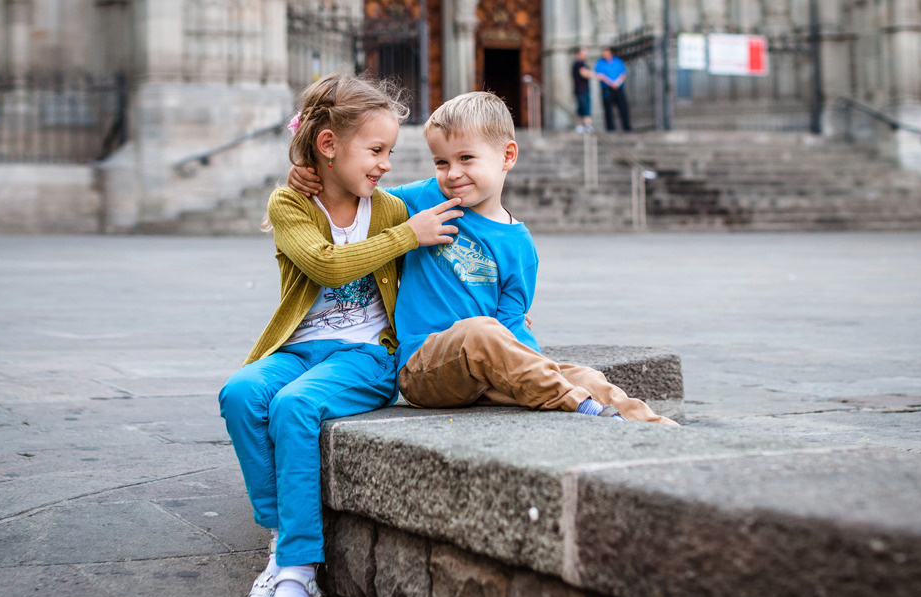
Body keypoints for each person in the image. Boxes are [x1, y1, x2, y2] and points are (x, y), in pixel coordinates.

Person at [218, 72, 461, 597]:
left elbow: (454, 193)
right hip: (300, 348)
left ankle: (301, 577)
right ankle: (283, 542)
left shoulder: (390, 207)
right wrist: (407, 236)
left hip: (366, 356)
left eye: (391, 152)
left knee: (295, 407)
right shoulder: (289, 203)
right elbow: (326, 266)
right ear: (327, 147)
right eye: (375, 150)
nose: (384, 164)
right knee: (242, 392)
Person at [288, 91, 676, 426]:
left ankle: (653, 426)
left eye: (466, 158)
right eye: (441, 162)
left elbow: (511, 322)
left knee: (585, 373)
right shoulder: (421, 201)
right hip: (425, 369)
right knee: (481, 332)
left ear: (507, 155)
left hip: (486, 368)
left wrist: (525, 359)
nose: (452, 173)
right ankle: (576, 404)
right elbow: (357, 189)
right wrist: (306, 176)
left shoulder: (520, 245)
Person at [594, 47, 631, 132]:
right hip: (607, 88)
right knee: (608, 110)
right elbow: (600, 75)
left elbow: (623, 74)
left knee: (623, 108)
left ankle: (626, 127)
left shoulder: (618, 61)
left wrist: (617, 82)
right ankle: (610, 128)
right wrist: (611, 83)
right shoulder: (600, 63)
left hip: (618, 87)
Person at [571, 47, 595, 133]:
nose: (586, 56)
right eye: (584, 54)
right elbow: (584, 73)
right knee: (585, 107)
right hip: (581, 89)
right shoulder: (579, 63)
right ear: (579, 54)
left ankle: (579, 125)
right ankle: (587, 125)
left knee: (580, 108)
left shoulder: (579, 63)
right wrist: (595, 75)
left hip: (581, 89)